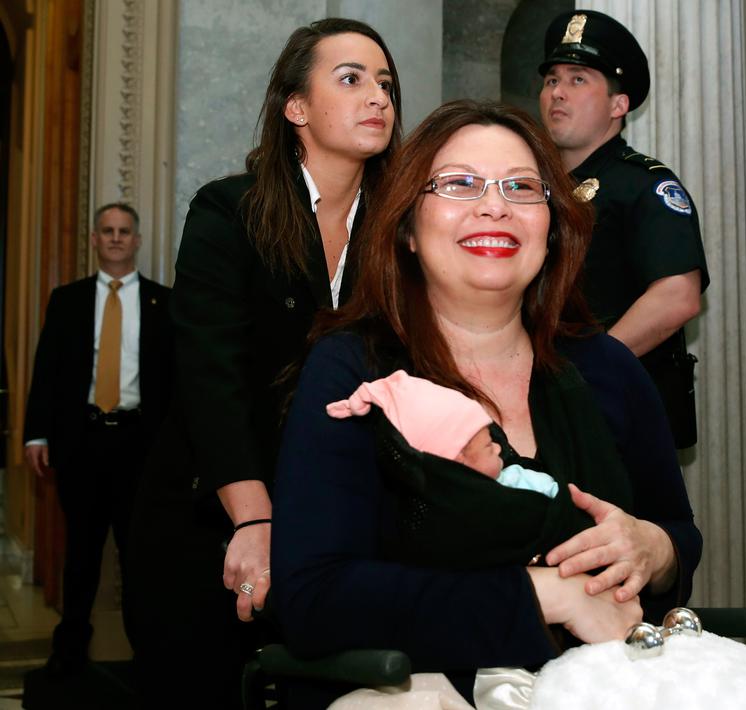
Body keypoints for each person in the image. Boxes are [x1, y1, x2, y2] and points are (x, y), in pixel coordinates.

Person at [272, 100, 701, 709]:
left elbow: (679, 533)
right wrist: (544, 596)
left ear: (552, 229)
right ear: (406, 229)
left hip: (605, 685)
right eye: (459, 184)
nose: (493, 205)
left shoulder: (606, 367)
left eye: (522, 188)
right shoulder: (352, 370)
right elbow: (314, 597)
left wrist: (655, 550)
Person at [125, 18, 402, 708]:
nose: (378, 97)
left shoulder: (401, 231)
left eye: (387, 84)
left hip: (344, 521)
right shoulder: (229, 212)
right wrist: (253, 520)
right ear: (296, 108)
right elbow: (207, 376)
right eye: (352, 79)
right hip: (210, 510)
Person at [538, 10, 710, 448]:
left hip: (618, 411)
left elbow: (678, 296)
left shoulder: (646, 185)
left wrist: (588, 372)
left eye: (578, 80)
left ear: (619, 105)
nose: (558, 92)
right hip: (545, 403)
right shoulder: (532, 186)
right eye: (552, 80)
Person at [22, 203, 172, 677]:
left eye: (124, 231)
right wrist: (35, 435)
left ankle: (148, 658)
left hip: (138, 448)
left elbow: (175, 383)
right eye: (107, 231)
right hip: (81, 443)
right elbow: (46, 371)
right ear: (94, 238)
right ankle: (68, 658)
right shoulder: (66, 299)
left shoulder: (163, 303)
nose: (115, 238)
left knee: (139, 556)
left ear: (137, 240)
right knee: (81, 554)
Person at [325, 370, 561, 497]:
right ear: (458, 462)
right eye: (489, 446)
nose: (501, 449)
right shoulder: (438, 512)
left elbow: (560, 498)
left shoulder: (516, 479)